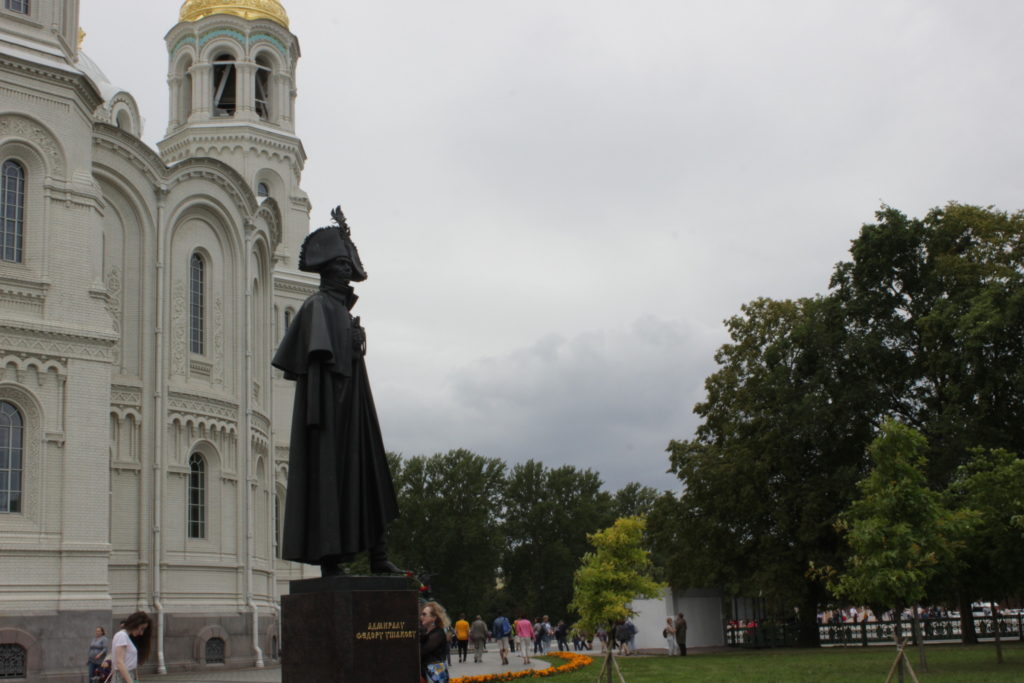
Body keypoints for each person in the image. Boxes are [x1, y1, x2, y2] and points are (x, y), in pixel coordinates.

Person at [272, 207, 401, 576]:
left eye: (349, 266)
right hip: (329, 414)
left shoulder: (341, 311)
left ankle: (378, 556)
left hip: (355, 407)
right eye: (342, 266)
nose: (349, 272)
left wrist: (355, 344)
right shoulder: (317, 307)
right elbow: (314, 366)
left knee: (370, 475)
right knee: (329, 480)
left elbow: (344, 360)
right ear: (328, 269)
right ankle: (331, 562)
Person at [111, 611, 152, 682]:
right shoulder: (122, 635)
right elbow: (119, 662)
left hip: (126, 675)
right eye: (142, 628)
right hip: (123, 676)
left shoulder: (126, 636)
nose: (141, 633)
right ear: (136, 623)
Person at [420, 601, 451, 683]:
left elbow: (422, 652)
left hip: (434, 674)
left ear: (434, 618)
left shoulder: (438, 634)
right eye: (421, 614)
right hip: (427, 674)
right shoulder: (426, 632)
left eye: (424, 614)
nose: (421, 617)